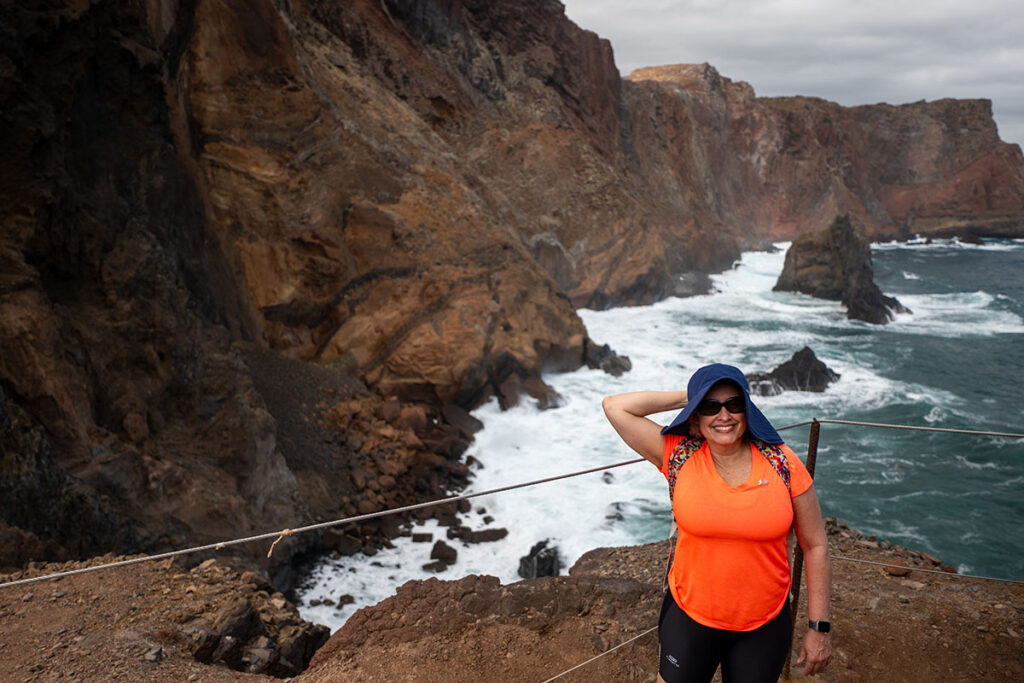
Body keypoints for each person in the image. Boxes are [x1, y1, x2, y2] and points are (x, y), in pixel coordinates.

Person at [602, 363, 832, 682]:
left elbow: (816, 545)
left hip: (763, 626)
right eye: (710, 407)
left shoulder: (783, 462)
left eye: (734, 404)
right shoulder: (678, 455)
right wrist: (692, 395)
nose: (724, 416)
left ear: (747, 410)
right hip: (689, 618)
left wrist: (818, 627)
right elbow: (616, 407)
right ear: (695, 417)